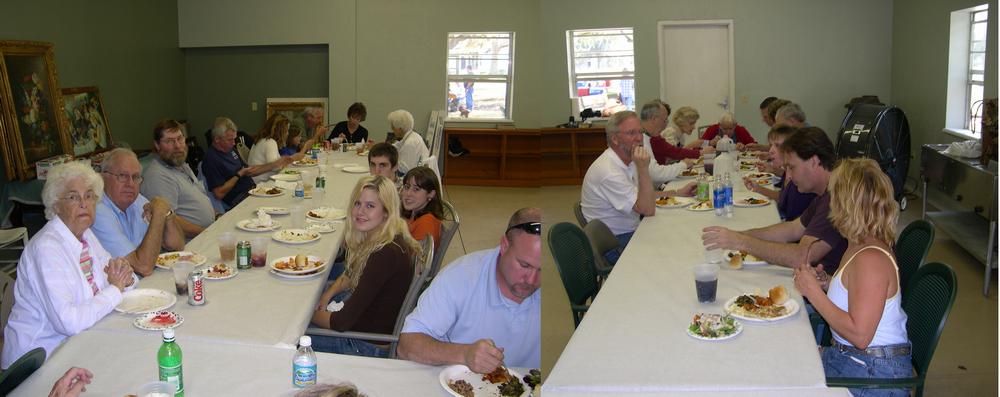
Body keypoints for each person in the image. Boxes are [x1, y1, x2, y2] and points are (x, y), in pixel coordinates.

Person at [793, 158, 912, 397]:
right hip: (855, 360)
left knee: (783, 376)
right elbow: (858, 297)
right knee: (787, 355)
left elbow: (860, 335)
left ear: (846, 205)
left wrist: (814, 294)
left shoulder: (871, 259)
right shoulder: (858, 243)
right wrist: (827, 285)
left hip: (874, 374)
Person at [1, 162, 137, 369]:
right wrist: (115, 288)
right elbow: (69, 322)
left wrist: (125, 278)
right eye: (73, 197)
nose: (84, 203)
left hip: (79, 343)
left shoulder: (86, 236)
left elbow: (120, 278)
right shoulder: (46, 249)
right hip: (36, 361)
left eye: (89, 196)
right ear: (56, 205)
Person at [397, 207, 541, 372]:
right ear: (504, 245)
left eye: (541, 270)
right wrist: (464, 354)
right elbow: (407, 345)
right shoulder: (459, 278)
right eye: (524, 265)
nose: (531, 280)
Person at [702, 127, 847, 275]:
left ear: (814, 162)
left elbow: (801, 257)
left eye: (791, 168)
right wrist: (740, 235)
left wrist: (742, 242)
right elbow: (793, 229)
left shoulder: (836, 198)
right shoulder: (825, 193)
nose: (788, 176)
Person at [310, 175, 422, 358]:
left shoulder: (384, 254)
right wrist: (326, 295)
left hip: (365, 346)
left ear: (386, 211)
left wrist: (305, 315)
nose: (360, 211)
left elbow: (341, 323)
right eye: (357, 203)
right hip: (365, 331)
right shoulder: (388, 237)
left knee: (290, 335)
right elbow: (352, 273)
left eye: (370, 206)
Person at [581, 111, 697, 263]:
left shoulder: (626, 160)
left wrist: (676, 193)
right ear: (614, 138)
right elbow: (647, 209)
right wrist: (643, 168)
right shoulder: (609, 171)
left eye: (640, 132)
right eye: (631, 133)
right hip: (615, 244)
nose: (639, 138)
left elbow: (641, 197)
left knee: (679, 230)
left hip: (630, 230)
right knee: (675, 246)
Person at [91, 148, 185, 277]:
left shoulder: (137, 200)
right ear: (103, 178)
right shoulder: (96, 212)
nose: (130, 184)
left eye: (135, 177)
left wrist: (167, 213)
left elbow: (177, 244)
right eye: (123, 176)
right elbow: (143, 267)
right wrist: (158, 214)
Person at [140, 119, 216, 238]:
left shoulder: (181, 165)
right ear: (157, 145)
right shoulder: (158, 177)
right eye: (170, 141)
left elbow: (199, 201)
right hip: (190, 245)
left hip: (208, 232)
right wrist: (209, 233)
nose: (177, 146)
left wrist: (217, 217)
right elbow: (171, 223)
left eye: (180, 139)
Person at [743, 124, 817, 221]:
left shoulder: (797, 185)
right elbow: (782, 197)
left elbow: (792, 230)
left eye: (778, 146)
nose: (770, 151)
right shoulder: (787, 173)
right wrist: (758, 189)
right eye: (771, 145)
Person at [202, 117, 270, 207]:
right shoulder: (211, 158)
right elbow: (218, 194)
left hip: (252, 190)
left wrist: (274, 164)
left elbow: (248, 170)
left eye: (234, 139)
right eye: (229, 140)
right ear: (217, 139)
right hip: (239, 198)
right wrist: (239, 175)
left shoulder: (231, 150)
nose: (233, 143)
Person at [637, 100, 695, 184]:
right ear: (653, 119)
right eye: (664, 121)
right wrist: (683, 165)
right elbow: (656, 174)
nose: (666, 124)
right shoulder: (641, 141)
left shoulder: (647, 137)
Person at [247, 113, 312, 184]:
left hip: (259, 181)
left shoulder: (262, 140)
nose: (287, 134)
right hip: (262, 183)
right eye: (286, 130)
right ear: (280, 131)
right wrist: (292, 158)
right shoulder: (270, 142)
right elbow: (274, 166)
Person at [401, 166, 444, 248]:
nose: (408, 193)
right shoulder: (414, 213)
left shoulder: (425, 222)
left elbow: (421, 259)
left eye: (416, 189)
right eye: (407, 187)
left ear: (431, 194)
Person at [388, 110, 429, 176]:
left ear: (400, 128)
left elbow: (405, 169)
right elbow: (397, 146)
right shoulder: (413, 135)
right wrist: (380, 147)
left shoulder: (409, 143)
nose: (392, 129)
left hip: (413, 176)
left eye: (393, 127)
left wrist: (390, 162)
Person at [700, 111, 764, 151]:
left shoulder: (741, 131)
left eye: (731, 129)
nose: (727, 132)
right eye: (724, 129)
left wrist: (744, 147)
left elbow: (754, 146)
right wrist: (710, 143)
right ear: (719, 125)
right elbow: (697, 147)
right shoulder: (712, 130)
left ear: (735, 125)